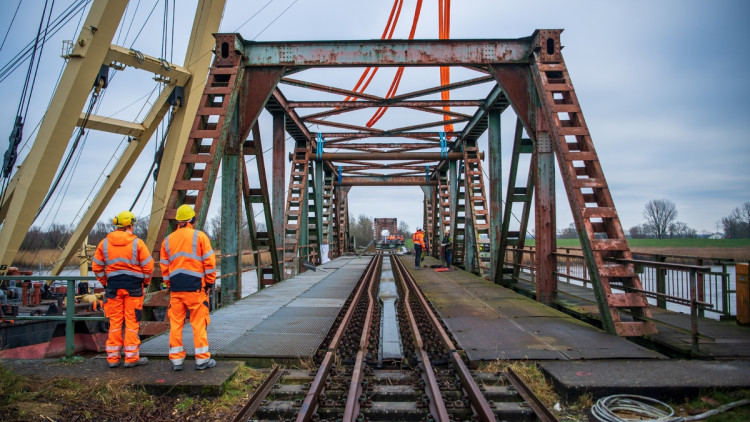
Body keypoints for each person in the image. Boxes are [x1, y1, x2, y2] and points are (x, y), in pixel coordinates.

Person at [92, 210, 153, 368]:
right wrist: (145, 282)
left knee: (115, 323)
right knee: (132, 323)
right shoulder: (137, 243)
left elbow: (96, 266)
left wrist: (105, 282)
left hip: (113, 287)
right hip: (134, 288)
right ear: (131, 225)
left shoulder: (104, 243)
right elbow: (148, 266)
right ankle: (131, 358)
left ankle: (113, 358)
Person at [160, 204, 217, 371]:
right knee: (198, 324)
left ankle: (176, 360)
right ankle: (201, 360)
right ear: (192, 219)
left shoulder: (168, 240)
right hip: (196, 289)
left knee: (176, 324)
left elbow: (165, 267)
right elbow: (209, 263)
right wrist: (210, 282)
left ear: (178, 221)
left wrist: (169, 285)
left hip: (176, 290)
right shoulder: (199, 237)